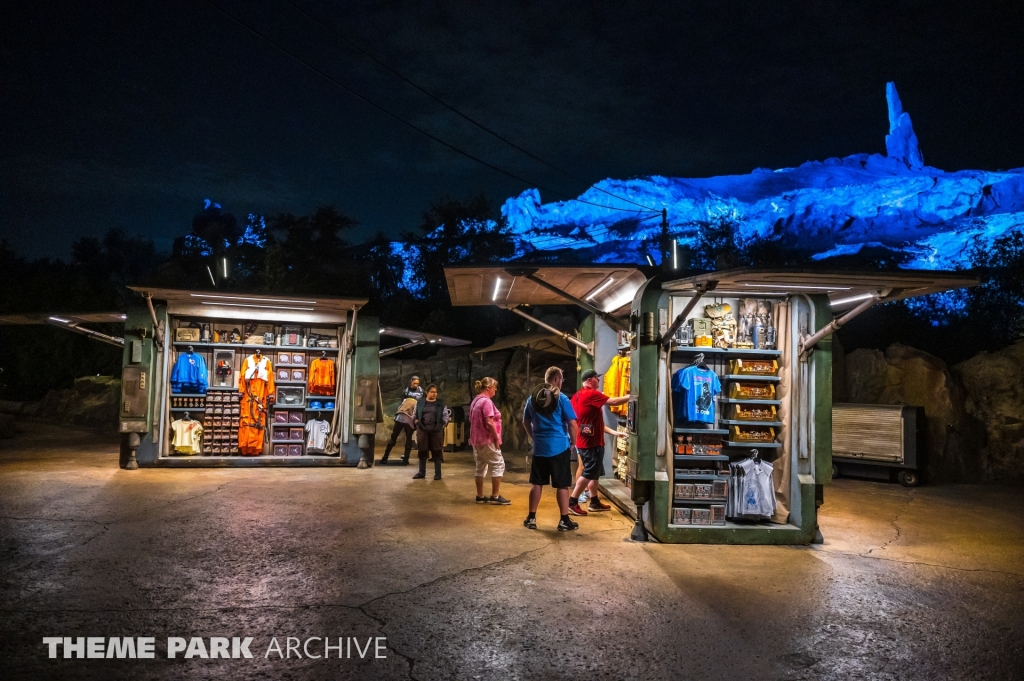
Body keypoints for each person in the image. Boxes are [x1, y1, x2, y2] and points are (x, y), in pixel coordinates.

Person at [522, 366, 579, 531]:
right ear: (556, 379)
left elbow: (525, 421)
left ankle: (531, 518)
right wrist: (573, 442)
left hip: (540, 447)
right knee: (562, 485)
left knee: (537, 483)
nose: (562, 382)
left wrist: (534, 437)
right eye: (561, 379)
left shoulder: (532, 399)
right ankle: (564, 520)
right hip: (559, 447)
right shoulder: (561, 398)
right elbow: (572, 423)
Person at [568, 369, 630, 516]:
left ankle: (594, 502)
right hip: (591, 443)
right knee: (589, 472)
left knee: (594, 473)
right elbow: (614, 402)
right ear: (590, 380)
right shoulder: (591, 394)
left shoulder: (577, 396)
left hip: (584, 441)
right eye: (597, 378)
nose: (599, 381)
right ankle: (572, 502)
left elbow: (595, 423)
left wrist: (615, 432)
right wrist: (633, 396)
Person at [469, 377, 510, 505]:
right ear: (488, 388)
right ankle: (495, 496)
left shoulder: (476, 400)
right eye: (494, 387)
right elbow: (489, 422)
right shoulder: (486, 402)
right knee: (498, 464)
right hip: (486, 439)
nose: (496, 390)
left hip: (476, 440)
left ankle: (480, 496)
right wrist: (496, 438)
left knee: (480, 467)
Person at [413, 384, 445, 480]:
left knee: (437, 451)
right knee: (422, 451)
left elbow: (445, 416)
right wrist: (416, 422)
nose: (434, 394)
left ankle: (438, 474)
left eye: (436, 392)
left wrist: (442, 424)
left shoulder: (440, 403)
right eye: (432, 392)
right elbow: (414, 414)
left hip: (436, 431)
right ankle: (421, 472)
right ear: (427, 392)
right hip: (423, 430)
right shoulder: (420, 402)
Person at [379, 397, 417, 465]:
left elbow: (399, 408)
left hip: (399, 417)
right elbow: (415, 413)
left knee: (393, 437)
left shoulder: (405, 400)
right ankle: (405, 460)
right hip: (409, 419)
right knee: (408, 439)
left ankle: (385, 458)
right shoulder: (417, 402)